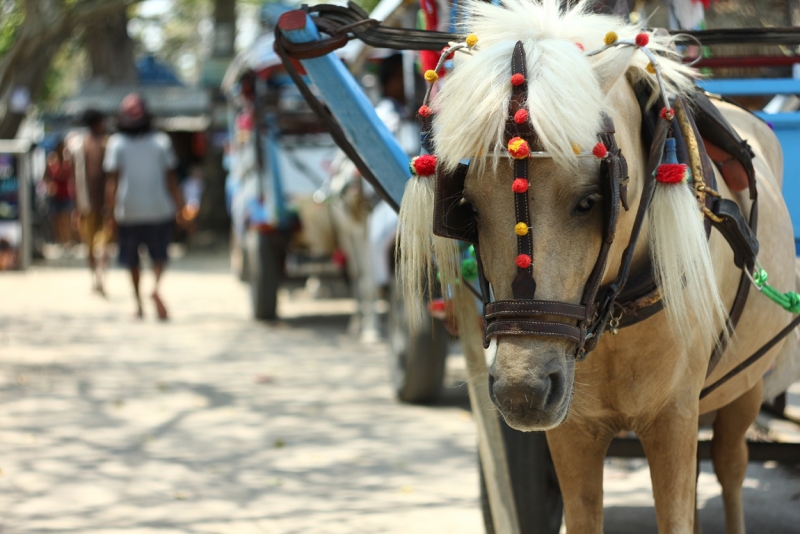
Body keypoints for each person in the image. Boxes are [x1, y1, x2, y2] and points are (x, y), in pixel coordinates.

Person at [103, 94, 185, 320]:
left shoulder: (116, 143)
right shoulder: (161, 141)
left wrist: (109, 213)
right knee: (160, 256)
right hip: (159, 208)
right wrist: (181, 208)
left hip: (128, 210)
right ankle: (156, 287)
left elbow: (112, 182)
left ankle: (138, 304)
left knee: (132, 260)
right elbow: (171, 179)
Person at [68, 109, 109, 294]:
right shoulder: (106, 144)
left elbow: (74, 178)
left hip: (86, 204)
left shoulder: (80, 145)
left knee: (92, 245)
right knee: (100, 244)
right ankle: (98, 277)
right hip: (103, 205)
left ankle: (96, 278)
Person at [43, 140, 75, 247]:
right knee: (57, 220)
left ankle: (67, 241)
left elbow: (72, 176)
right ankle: (60, 241)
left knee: (65, 219)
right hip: (55, 196)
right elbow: (45, 177)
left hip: (65, 195)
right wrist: (50, 185)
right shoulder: (52, 162)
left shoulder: (67, 163)